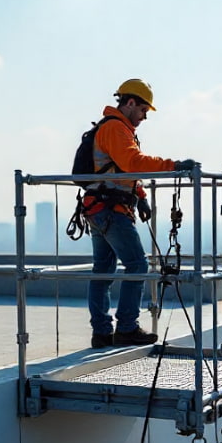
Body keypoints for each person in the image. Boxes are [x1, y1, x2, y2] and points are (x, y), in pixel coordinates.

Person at [83, 78, 197, 348]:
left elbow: (123, 170)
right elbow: (133, 162)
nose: (145, 116)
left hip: (99, 206)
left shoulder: (117, 128)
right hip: (110, 208)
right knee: (136, 265)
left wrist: (141, 197)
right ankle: (126, 328)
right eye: (144, 110)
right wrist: (175, 165)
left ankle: (102, 333)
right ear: (130, 103)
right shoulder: (116, 128)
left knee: (103, 269)